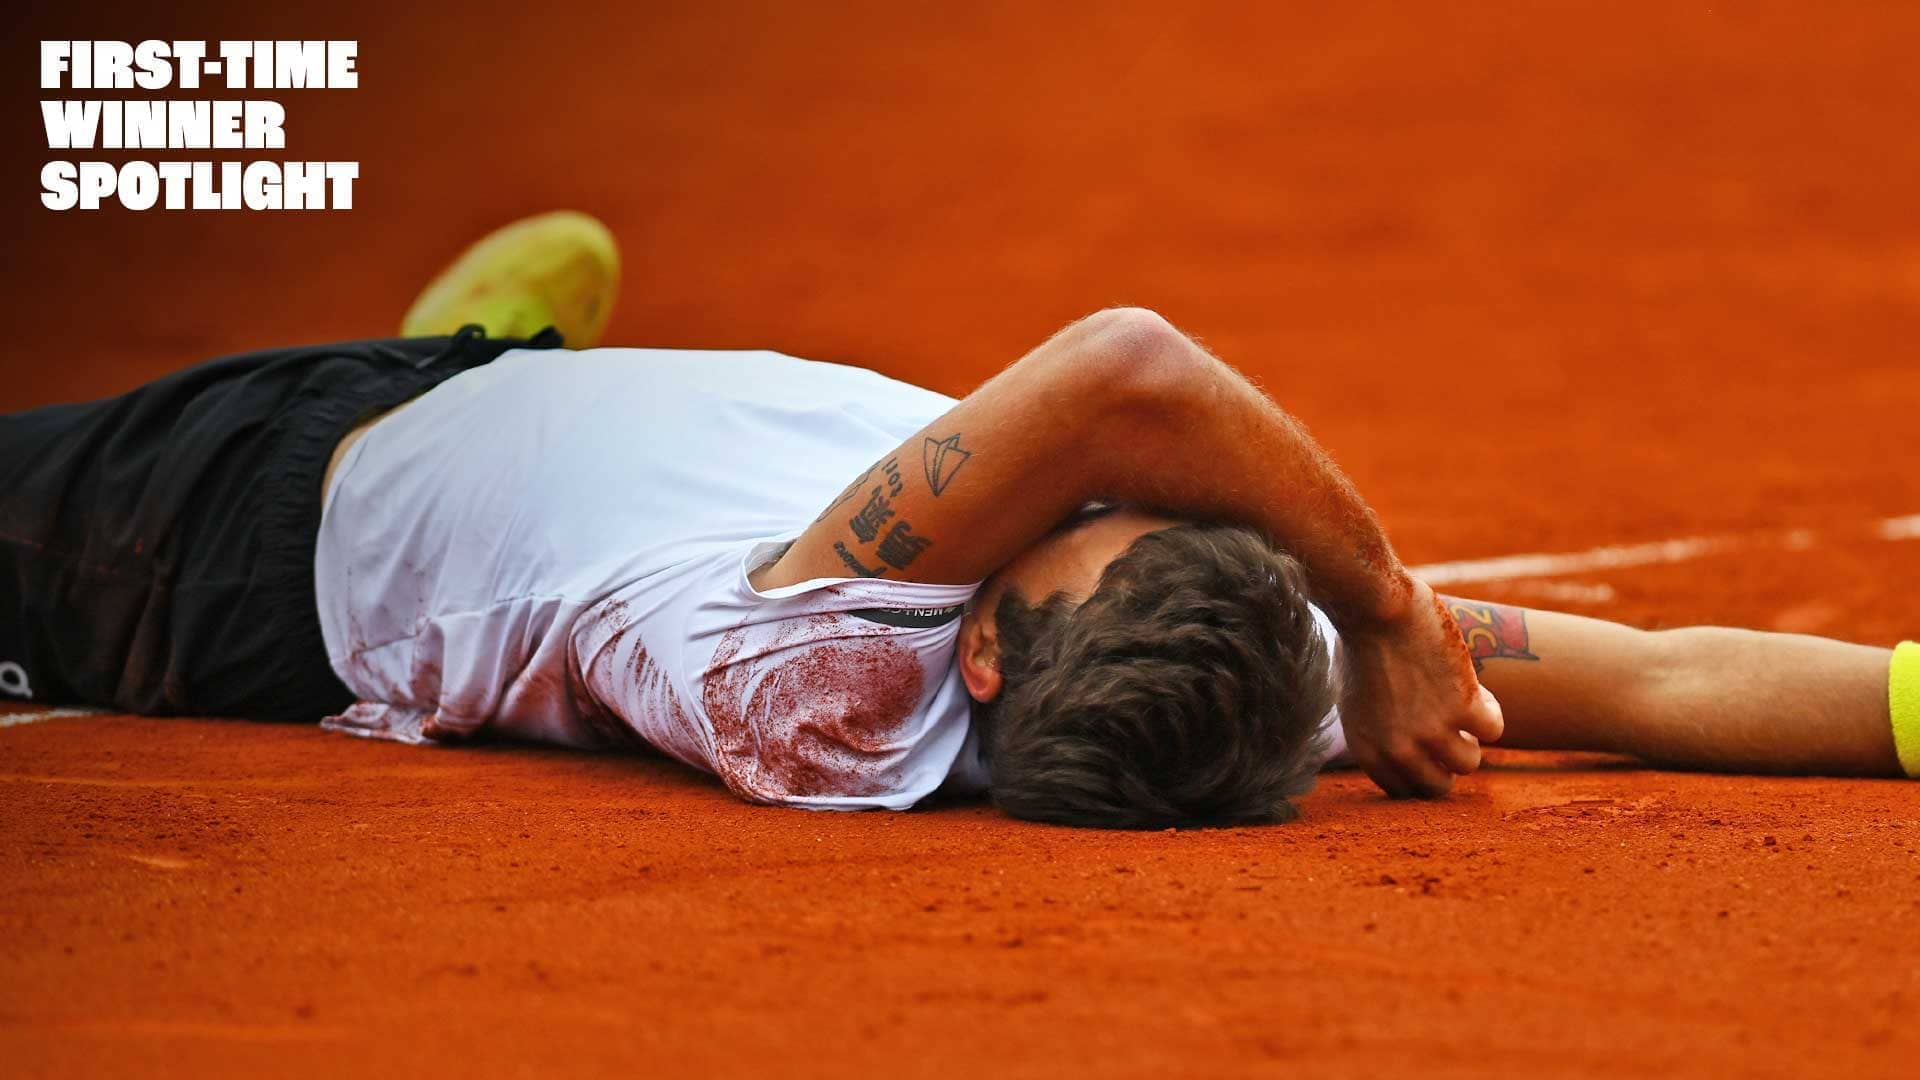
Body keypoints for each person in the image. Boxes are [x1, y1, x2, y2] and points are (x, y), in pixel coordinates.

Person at [3, 212, 1914, 828]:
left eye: (1080, 525)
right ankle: (478, 392)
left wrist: (1386, 593)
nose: (1100, 498)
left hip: (231, 535)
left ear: (980, 640)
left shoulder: (826, 663)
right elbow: (1654, 676)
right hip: (492, 442)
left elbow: (1132, 371)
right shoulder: (1206, 682)